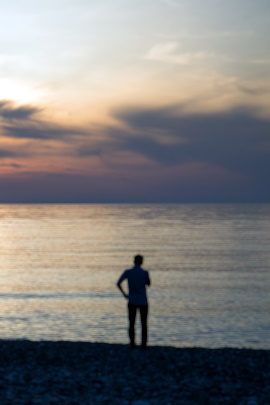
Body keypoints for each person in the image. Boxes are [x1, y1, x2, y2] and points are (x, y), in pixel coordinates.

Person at [116, 255, 151, 349]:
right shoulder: (145, 273)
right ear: (142, 262)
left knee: (132, 323)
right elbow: (148, 284)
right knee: (144, 323)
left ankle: (132, 343)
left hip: (132, 300)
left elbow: (118, 283)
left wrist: (124, 294)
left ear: (134, 261)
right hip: (143, 301)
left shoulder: (128, 272)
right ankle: (144, 344)